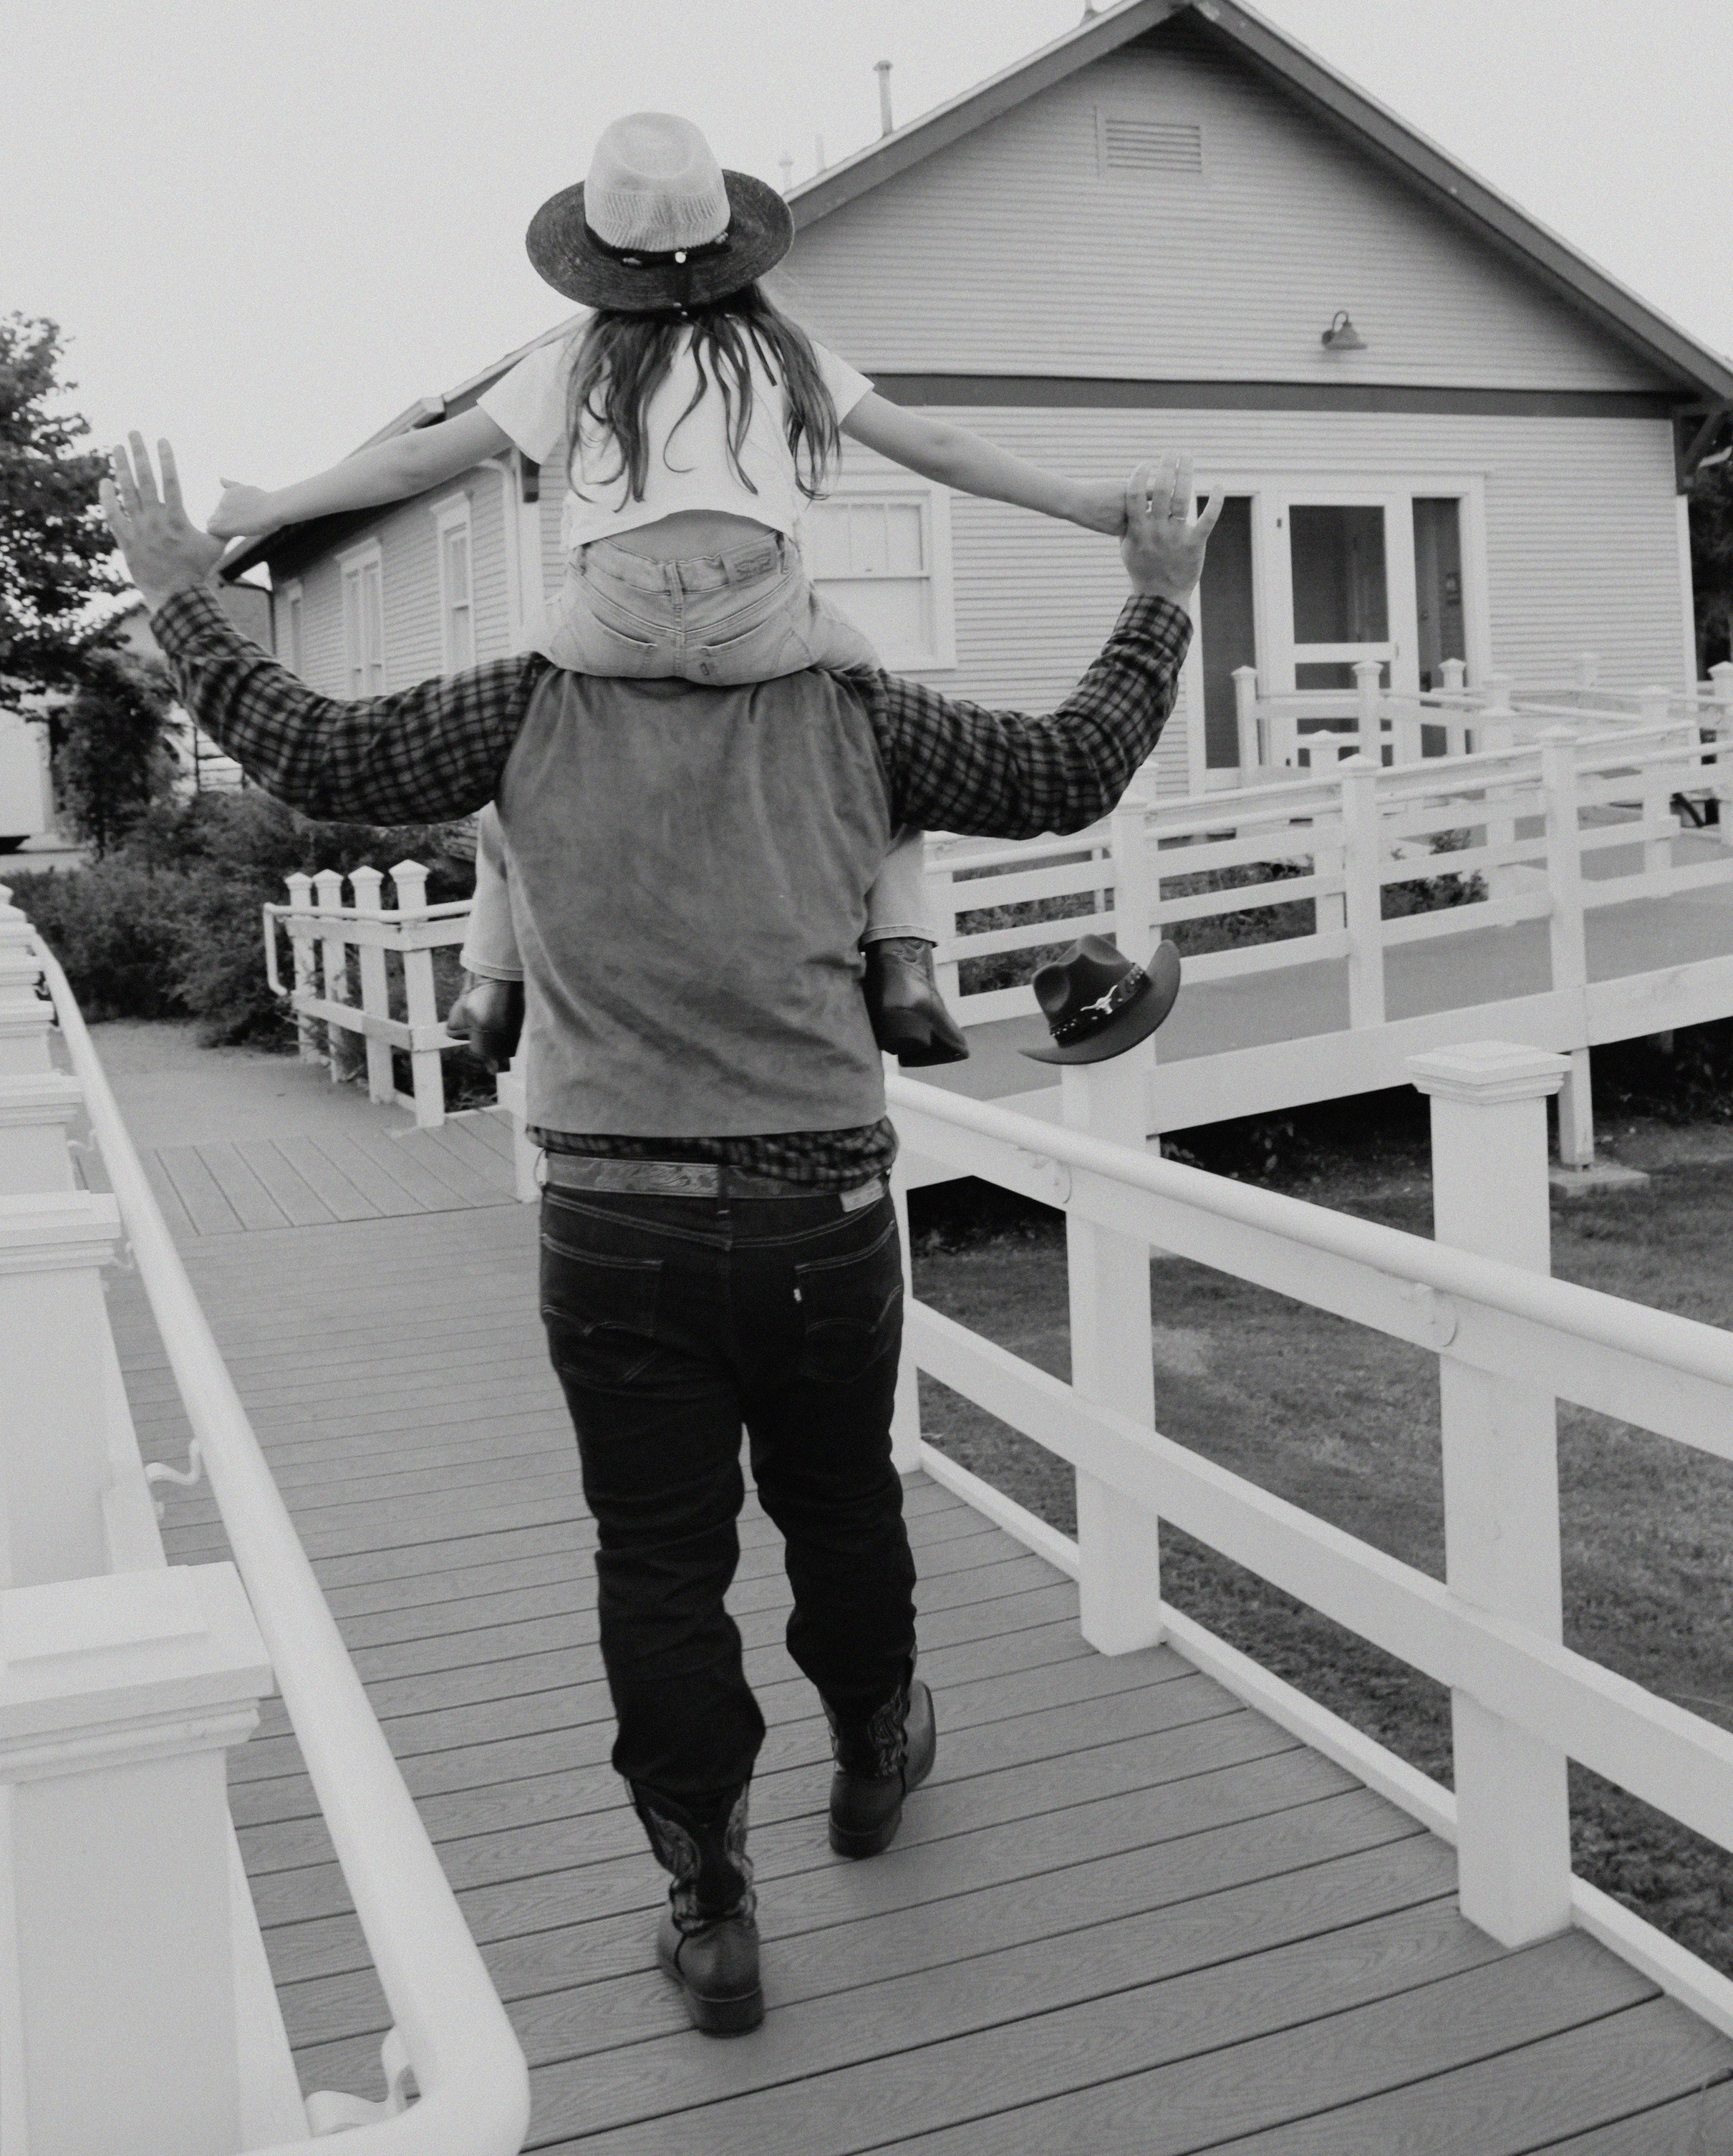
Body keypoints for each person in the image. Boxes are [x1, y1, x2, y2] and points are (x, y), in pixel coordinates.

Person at [105, 416, 1214, 2041]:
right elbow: (1066, 768)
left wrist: (182, 591)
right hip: (819, 1208)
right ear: (784, 589)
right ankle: (871, 1755)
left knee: (658, 1563)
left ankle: (709, 1909)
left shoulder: (521, 707)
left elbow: (309, 748)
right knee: (840, 1504)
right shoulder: (858, 713)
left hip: (614, 1217)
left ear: (589, 590)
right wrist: (1160, 590)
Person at [206, 114, 1136, 1071]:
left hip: (607, 618)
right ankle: (902, 963)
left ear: (600, 261)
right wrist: (1082, 506)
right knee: (886, 747)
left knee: (510, 766)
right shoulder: (782, 354)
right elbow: (937, 447)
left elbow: (411, 462)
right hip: (765, 616)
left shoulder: (577, 358)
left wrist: (275, 500)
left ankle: (492, 986)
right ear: (734, 244)